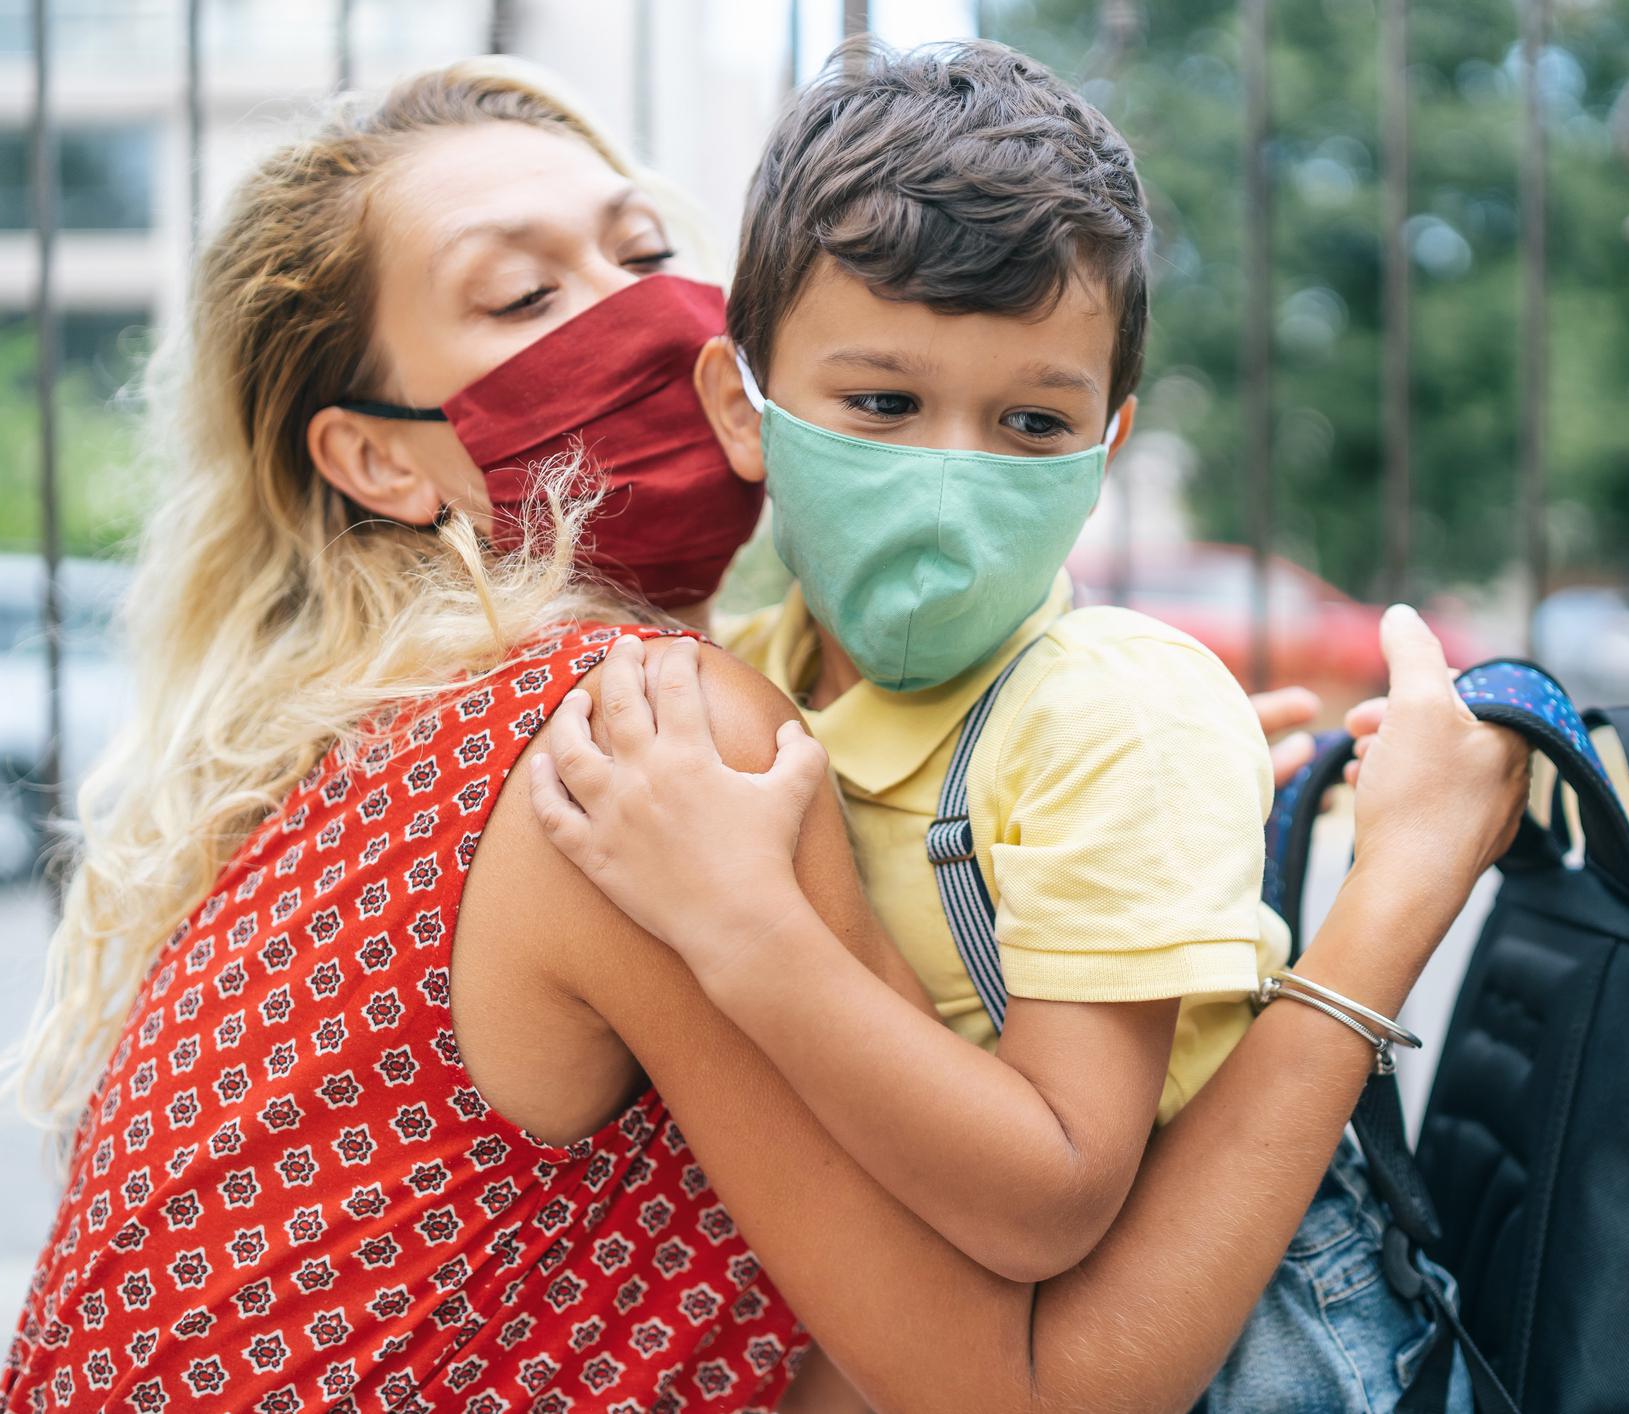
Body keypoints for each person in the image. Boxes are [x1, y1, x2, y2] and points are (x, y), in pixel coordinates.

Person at [0, 55, 1528, 1414]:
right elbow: (1040, 1391)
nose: (648, 324)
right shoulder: (637, 732)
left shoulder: (358, 735)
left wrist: (1092, 797)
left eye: (648, 252)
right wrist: (1391, 894)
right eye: (524, 297)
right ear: (379, 460)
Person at [534, 40, 1466, 1413]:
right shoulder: (751, 674)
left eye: (1031, 420)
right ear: (745, 407)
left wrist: (747, 927)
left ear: (1106, 444)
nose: (950, 476)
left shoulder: (1105, 713)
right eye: (882, 404)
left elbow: (1051, 1200)